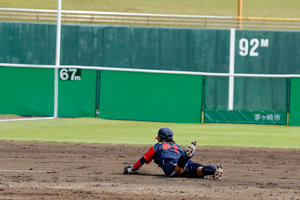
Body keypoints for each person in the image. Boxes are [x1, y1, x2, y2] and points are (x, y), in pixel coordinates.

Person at [123, 128, 223, 179]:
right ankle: (214, 171)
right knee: (199, 170)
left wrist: (131, 169)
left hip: (171, 165)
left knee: (178, 169)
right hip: (185, 163)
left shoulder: (156, 146)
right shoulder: (177, 146)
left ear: (159, 138)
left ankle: (185, 156)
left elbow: (142, 160)